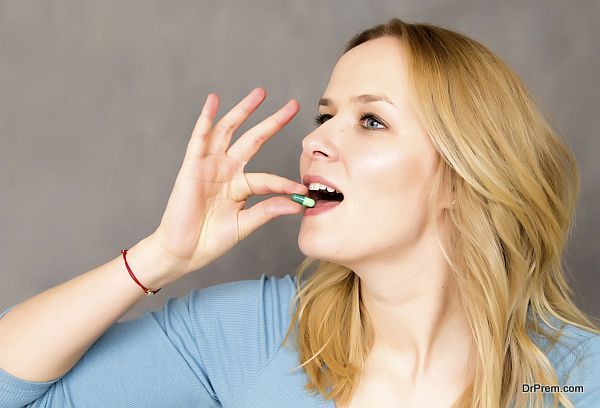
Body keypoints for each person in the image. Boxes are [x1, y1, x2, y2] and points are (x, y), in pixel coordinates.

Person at [0, 17, 598, 408]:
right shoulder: (258, 336)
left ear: (463, 178)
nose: (315, 142)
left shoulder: (576, 379)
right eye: (324, 116)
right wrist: (162, 255)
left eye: (371, 120)